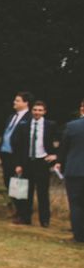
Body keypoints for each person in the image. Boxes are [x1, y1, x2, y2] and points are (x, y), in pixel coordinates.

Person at [12, 100, 57, 227]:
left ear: (44, 112)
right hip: (27, 162)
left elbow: (61, 141)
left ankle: (45, 220)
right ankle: (26, 218)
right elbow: (18, 146)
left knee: (43, 192)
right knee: (26, 191)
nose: (37, 112)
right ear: (32, 111)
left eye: (40, 110)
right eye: (35, 110)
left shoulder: (50, 125)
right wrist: (18, 164)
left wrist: (55, 155)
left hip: (42, 161)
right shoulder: (24, 125)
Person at [0, 92, 33, 223]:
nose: (14, 102)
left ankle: (25, 215)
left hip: (18, 157)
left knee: (21, 186)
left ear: (26, 103)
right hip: (6, 155)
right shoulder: (11, 117)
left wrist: (21, 163)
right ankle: (18, 211)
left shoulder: (29, 119)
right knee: (9, 184)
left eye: (18, 100)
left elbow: (26, 143)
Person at [55, 99, 84, 242]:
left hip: (75, 170)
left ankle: (78, 236)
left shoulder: (72, 126)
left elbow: (64, 148)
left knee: (76, 204)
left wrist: (59, 162)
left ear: (81, 109)